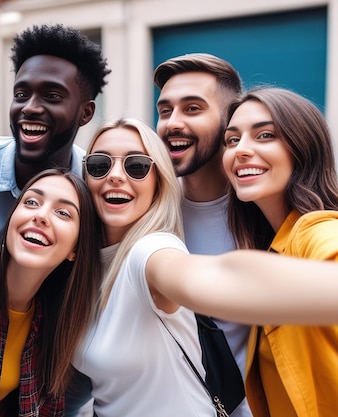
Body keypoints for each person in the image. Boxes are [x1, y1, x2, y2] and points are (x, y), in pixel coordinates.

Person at [67, 117, 338, 417]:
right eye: (99, 165)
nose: (116, 176)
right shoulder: (83, 269)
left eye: (137, 166)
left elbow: (214, 278)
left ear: (159, 182)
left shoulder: (149, 252)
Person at [222, 87, 338, 417]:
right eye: (232, 140)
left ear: (303, 147)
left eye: (265, 135)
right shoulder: (274, 246)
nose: (241, 150)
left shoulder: (316, 230)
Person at [153, 53, 251, 416]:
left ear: (229, 121)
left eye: (192, 109)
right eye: (165, 111)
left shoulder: (266, 212)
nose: (172, 123)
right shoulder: (146, 213)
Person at [0, 168, 102, 416]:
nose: (41, 216)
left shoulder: (52, 327)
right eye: (31, 202)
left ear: (75, 249)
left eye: (63, 213)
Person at [0, 23, 111, 256]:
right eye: (21, 95)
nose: (30, 107)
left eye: (51, 96)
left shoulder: (96, 185)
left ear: (86, 113)